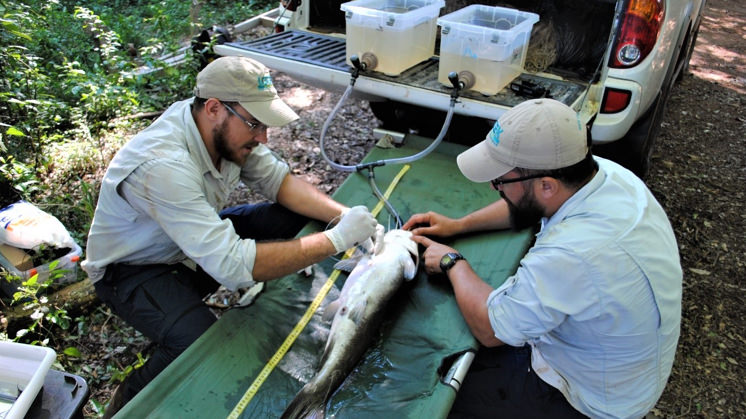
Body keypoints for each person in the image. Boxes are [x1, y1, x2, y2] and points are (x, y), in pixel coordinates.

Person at [82, 56, 379, 417]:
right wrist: (334, 240)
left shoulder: (221, 130)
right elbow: (232, 265)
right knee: (194, 340)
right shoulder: (162, 165)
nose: (264, 137)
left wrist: (343, 217)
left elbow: (278, 182)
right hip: (133, 269)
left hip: (184, 244)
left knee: (291, 216)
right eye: (255, 124)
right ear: (213, 109)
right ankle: (126, 406)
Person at [403, 99, 682, 418]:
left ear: (547, 185)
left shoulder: (572, 254)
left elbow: (490, 329)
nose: (497, 189)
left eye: (500, 181)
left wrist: (454, 262)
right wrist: (460, 224)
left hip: (587, 398)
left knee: (433, 396)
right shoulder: (606, 176)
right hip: (622, 368)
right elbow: (527, 203)